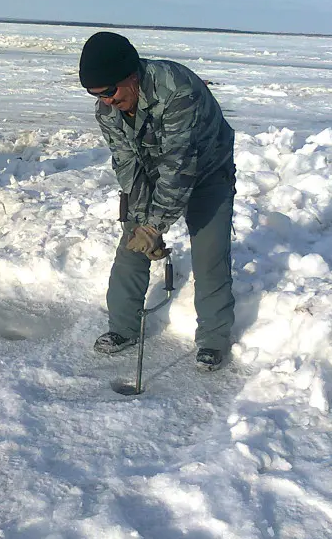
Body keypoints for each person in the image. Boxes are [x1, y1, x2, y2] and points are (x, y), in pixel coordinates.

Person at [79, 31, 236, 371]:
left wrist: (157, 225)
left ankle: (214, 340)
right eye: (96, 95)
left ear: (131, 76)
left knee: (209, 256)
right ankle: (122, 328)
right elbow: (127, 164)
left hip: (209, 173)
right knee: (132, 243)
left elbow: (179, 166)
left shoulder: (179, 90)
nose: (105, 101)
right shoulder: (109, 111)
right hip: (154, 172)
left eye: (109, 92)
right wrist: (142, 225)